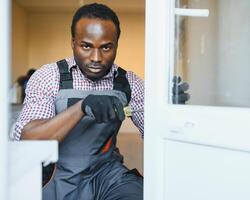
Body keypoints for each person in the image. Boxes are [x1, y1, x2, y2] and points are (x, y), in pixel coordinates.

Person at [13, 3, 189, 200]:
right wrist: (82, 107)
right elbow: (29, 139)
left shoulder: (128, 82)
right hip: (57, 176)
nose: (96, 58)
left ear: (116, 45)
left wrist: (171, 109)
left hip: (107, 175)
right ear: (73, 43)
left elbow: (158, 134)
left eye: (106, 47)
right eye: (86, 46)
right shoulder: (49, 76)